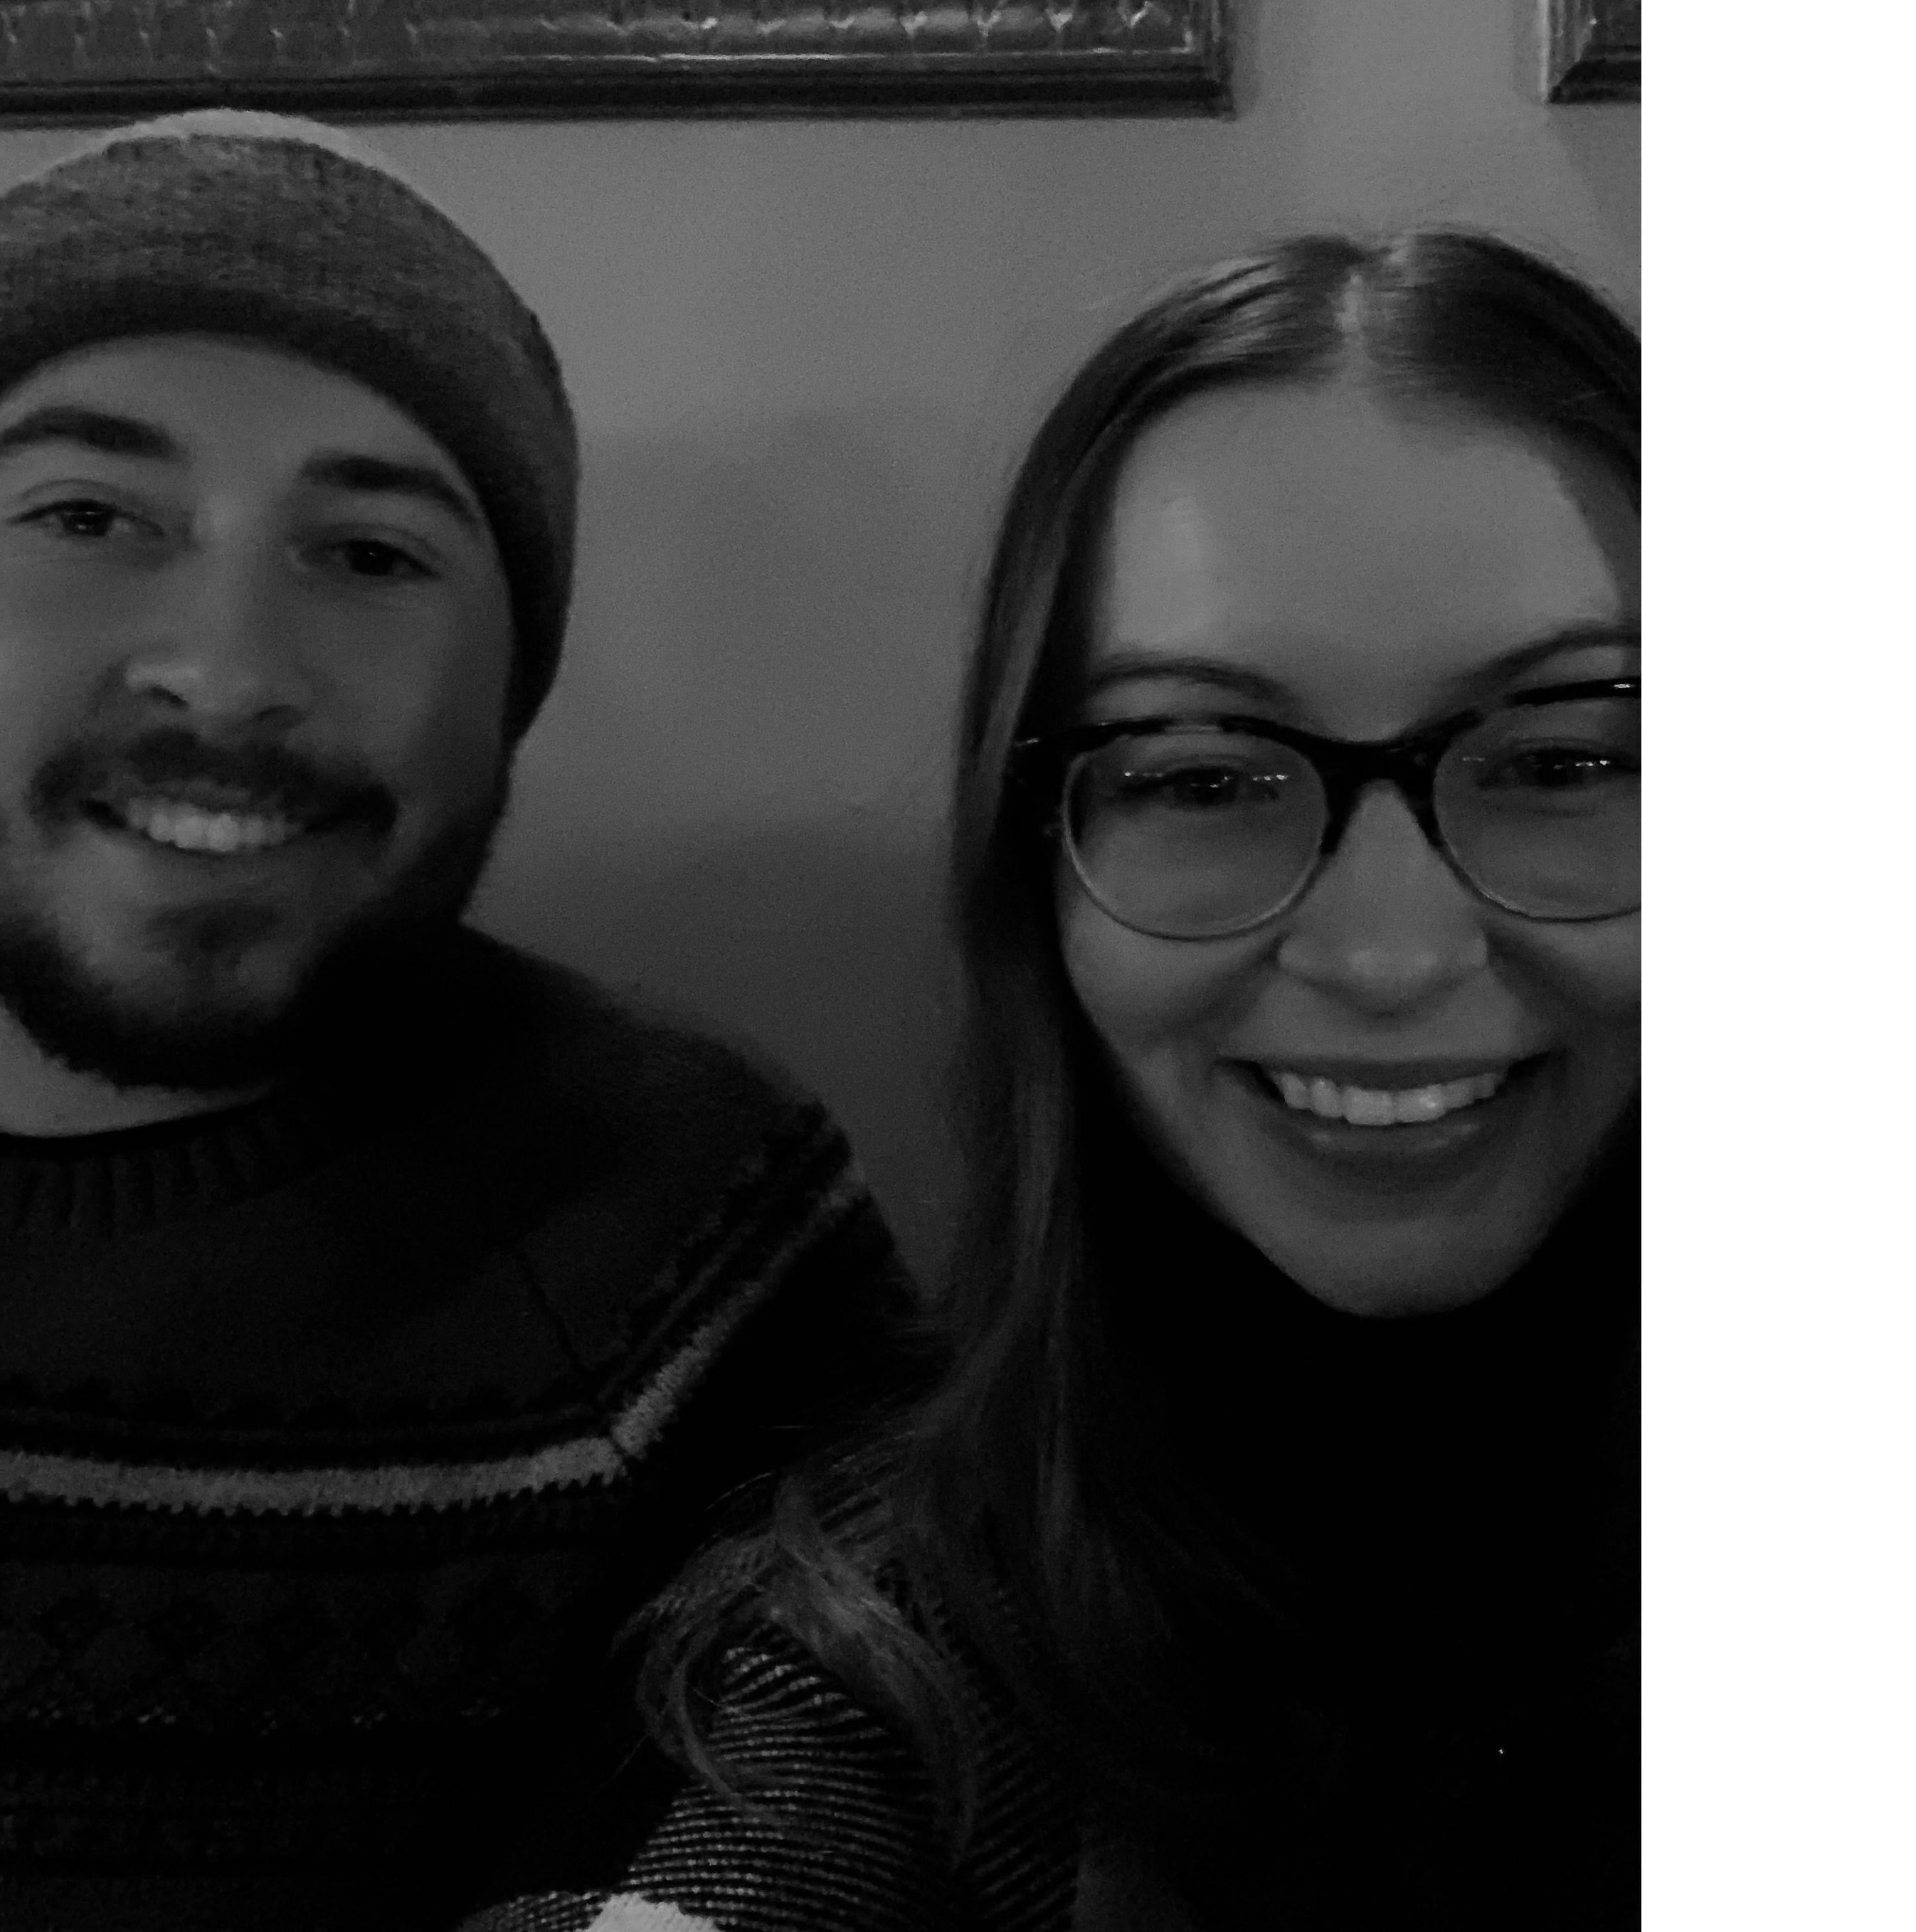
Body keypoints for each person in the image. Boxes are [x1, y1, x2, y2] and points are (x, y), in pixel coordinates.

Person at [458, 229, 1641, 1931]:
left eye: (1566, 760)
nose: (1386, 953)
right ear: (1041, 878)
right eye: (1201, 777)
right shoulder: (914, 1643)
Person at [0, 113, 920, 1931]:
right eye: (85, 516)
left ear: (511, 683)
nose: (229, 672)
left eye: (370, 553)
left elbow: (892, 1719)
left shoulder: (675, 1224)